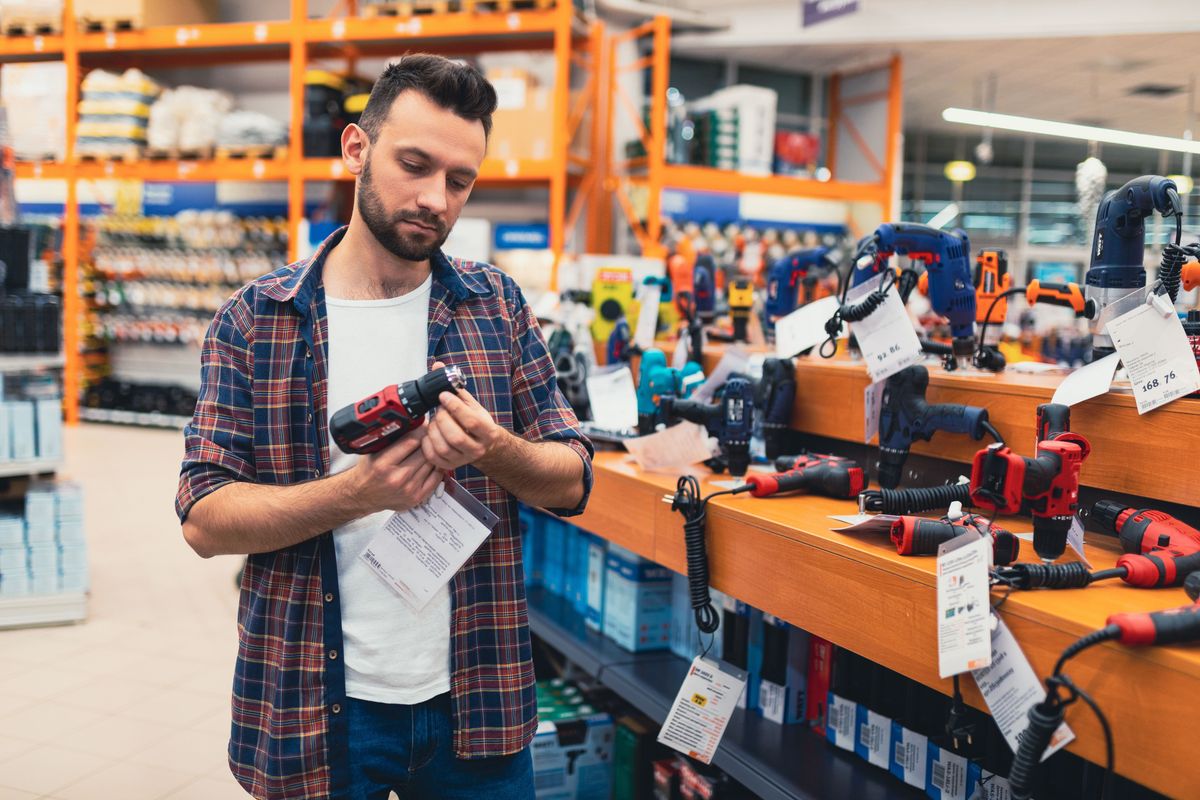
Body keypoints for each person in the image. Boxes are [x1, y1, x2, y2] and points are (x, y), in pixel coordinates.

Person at [175, 54, 593, 800]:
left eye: (459, 181)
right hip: (315, 708)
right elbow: (205, 520)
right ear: (356, 150)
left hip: (477, 704)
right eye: (415, 164)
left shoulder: (494, 307)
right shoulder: (256, 319)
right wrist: (358, 493)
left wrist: (494, 450)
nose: (436, 198)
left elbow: (572, 479)